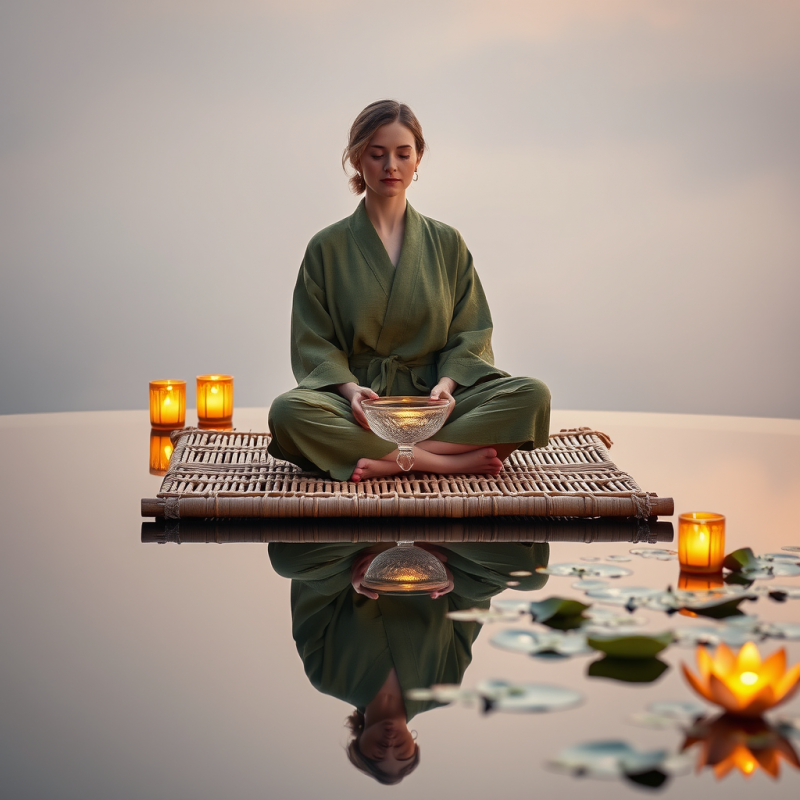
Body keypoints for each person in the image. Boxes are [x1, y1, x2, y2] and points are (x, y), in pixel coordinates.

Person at [268, 100, 550, 482]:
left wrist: (446, 387)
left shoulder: (447, 243)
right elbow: (313, 342)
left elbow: (470, 333)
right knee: (287, 412)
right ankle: (443, 461)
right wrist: (351, 392)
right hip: (362, 408)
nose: (391, 166)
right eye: (377, 154)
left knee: (533, 395)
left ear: (418, 159)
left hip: (433, 404)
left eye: (403, 154)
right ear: (357, 158)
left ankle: (388, 458)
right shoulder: (326, 247)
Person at [268, 540, 550, 784]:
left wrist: (352, 577)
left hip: (359, 551)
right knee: (533, 577)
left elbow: (309, 600)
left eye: (377, 754)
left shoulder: (326, 678)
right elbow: (469, 615)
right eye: (402, 754)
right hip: (439, 554)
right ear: (414, 743)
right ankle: (431, 529)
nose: (390, 747)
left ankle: (387, 530)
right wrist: (451, 580)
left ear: (358, 742)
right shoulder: (442, 689)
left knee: (285, 562)